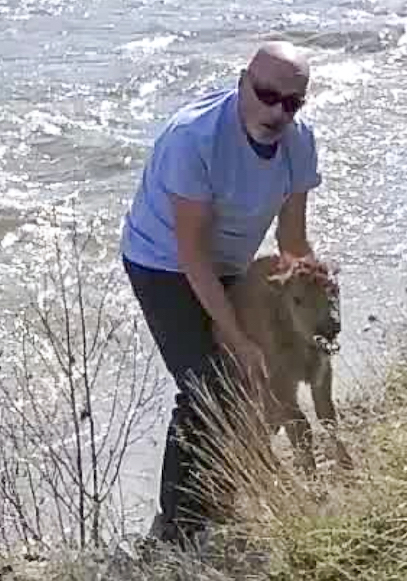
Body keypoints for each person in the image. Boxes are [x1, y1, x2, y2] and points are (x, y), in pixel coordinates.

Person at [119, 40, 322, 547]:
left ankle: (225, 492)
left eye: (291, 102)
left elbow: (292, 242)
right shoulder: (195, 139)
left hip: (230, 261)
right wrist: (237, 338)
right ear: (242, 83)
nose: (277, 111)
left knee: (267, 373)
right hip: (163, 261)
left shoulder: (299, 144)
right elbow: (192, 256)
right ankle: (176, 532)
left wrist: (314, 294)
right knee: (210, 383)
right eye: (267, 94)